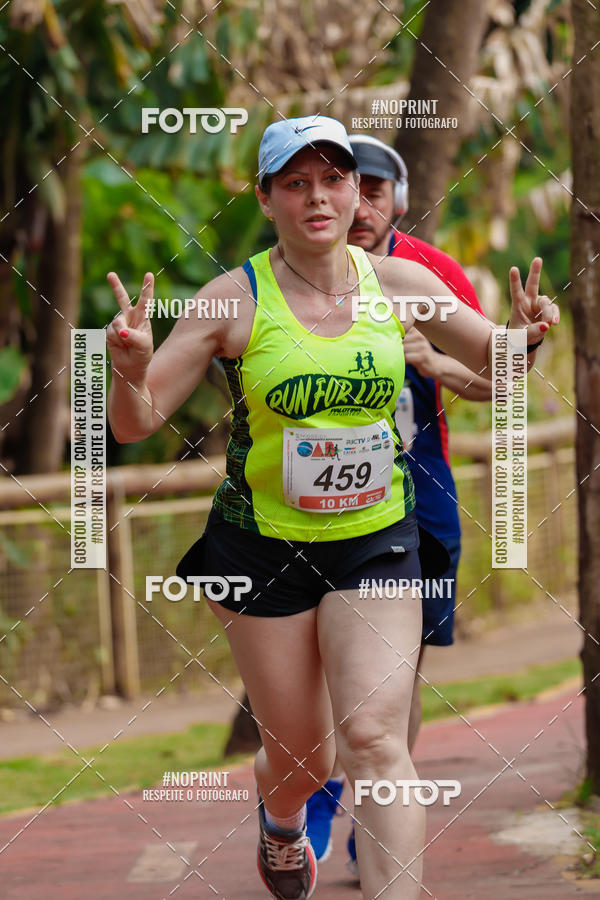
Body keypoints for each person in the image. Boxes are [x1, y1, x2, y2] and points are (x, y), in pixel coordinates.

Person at [106, 115, 558, 900]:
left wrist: (527, 335)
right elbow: (134, 422)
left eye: (335, 179)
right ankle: (281, 820)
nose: (318, 196)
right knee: (303, 761)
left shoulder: (404, 285)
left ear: (358, 193)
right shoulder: (229, 302)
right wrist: (130, 367)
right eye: (296, 182)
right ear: (267, 198)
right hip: (260, 551)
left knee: (376, 738)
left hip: (377, 538)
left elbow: (499, 361)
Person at [305, 135, 495, 872]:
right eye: (352, 187)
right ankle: (311, 791)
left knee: (399, 667)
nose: (361, 205)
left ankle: (374, 811)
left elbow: (503, 376)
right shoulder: (283, 275)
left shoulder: (429, 274)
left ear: (398, 199)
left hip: (420, 491)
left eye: (374, 189)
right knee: (309, 668)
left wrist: (433, 359)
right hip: (304, 500)